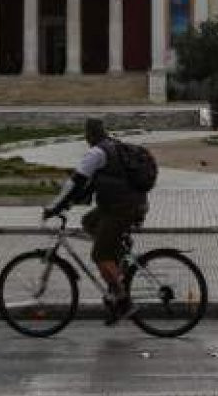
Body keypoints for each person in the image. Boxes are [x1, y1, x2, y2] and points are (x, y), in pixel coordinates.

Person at [44, 118, 149, 324]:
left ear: (88, 135)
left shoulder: (96, 153)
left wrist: (54, 207)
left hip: (122, 208)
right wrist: (69, 203)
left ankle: (123, 302)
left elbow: (75, 182)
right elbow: (89, 187)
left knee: (99, 254)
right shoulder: (112, 146)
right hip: (129, 203)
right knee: (89, 222)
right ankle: (118, 255)